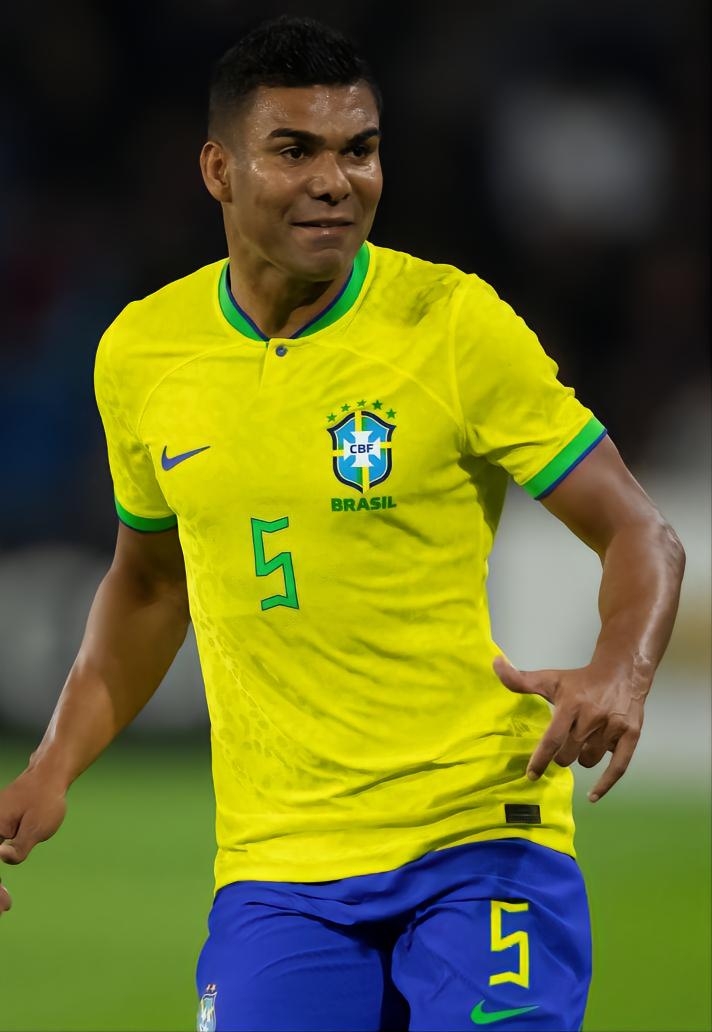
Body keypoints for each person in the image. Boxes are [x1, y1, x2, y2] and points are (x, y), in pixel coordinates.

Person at [0, 15, 685, 1032]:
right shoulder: (142, 353)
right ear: (218, 170)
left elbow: (640, 533)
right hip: (277, 865)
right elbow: (149, 585)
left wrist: (620, 670)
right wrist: (50, 766)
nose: (335, 181)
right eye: (295, 150)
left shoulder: (450, 323)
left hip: (477, 831)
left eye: (358, 150)